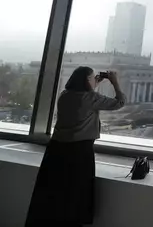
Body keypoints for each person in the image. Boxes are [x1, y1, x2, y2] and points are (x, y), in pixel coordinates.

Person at [25, 66, 125, 226]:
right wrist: (115, 82)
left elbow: (82, 99)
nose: (95, 79)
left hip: (56, 150)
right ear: (86, 81)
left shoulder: (64, 95)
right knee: (74, 196)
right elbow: (120, 102)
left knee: (52, 195)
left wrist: (92, 85)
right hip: (79, 152)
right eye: (93, 78)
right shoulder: (91, 98)